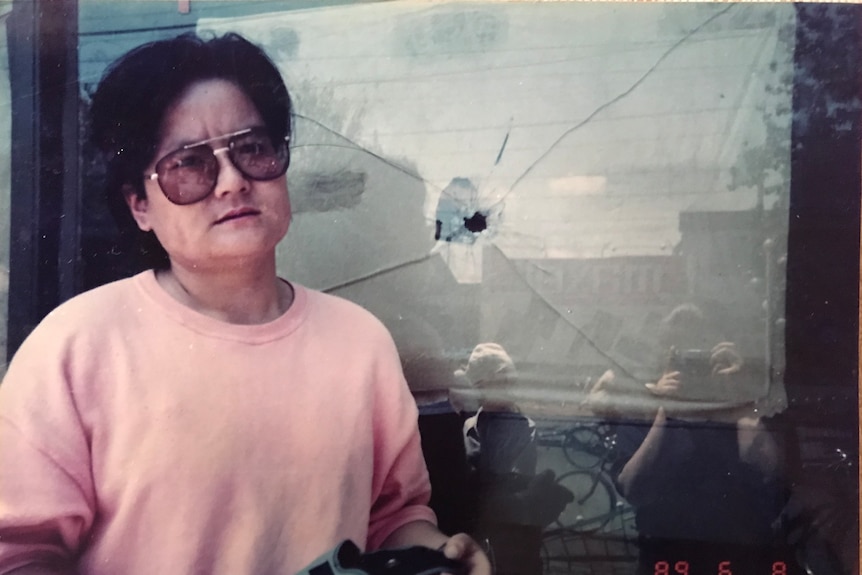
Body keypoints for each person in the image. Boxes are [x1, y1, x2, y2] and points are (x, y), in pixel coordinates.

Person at [0, 33, 490, 575]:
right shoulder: (76, 347)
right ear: (139, 204)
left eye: (252, 148)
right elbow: (18, 553)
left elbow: (390, 518)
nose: (232, 181)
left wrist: (434, 554)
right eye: (188, 163)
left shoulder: (360, 343)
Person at [598, 304, 789, 574]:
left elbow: (774, 473)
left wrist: (737, 397)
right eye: (681, 355)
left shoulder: (742, 408)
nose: (692, 368)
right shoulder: (642, 410)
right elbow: (634, 489)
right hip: (666, 558)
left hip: (744, 554)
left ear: (716, 353)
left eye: (698, 350)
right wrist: (666, 413)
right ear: (664, 359)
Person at [456, 343, 573, 575]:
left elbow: (519, 482)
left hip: (514, 539)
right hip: (476, 539)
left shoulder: (523, 427)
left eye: (509, 379)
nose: (509, 385)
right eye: (500, 379)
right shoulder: (468, 425)